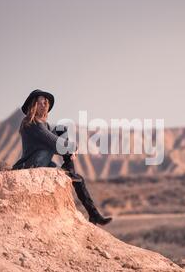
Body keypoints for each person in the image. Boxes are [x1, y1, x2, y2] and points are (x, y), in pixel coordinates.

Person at [12, 89, 112, 226]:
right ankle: (70, 170)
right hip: (32, 164)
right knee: (59, 143)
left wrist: (68, 149)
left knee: (61, 131)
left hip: (43, 161)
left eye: (45, 104)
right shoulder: (32, 123)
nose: (44, 106)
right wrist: (73, 148)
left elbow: (56, 144)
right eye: (41, 103)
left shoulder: (44, 125)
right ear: (33, 105)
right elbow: (54, 143)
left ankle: (94, 214)